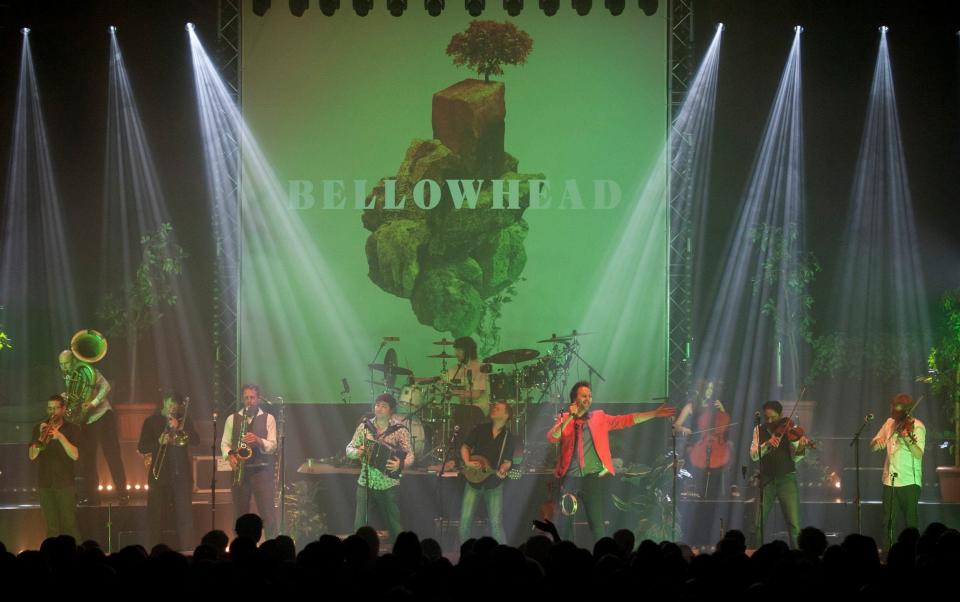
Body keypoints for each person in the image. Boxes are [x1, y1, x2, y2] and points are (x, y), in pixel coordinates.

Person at [546, 380, 675, 543]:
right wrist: (569, 417)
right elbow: (552, 437)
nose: (588, 398)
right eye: (584, 395)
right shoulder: (564, 417)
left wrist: (654, 414)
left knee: (597, 526)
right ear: (574, 399)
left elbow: (626, 420)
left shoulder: (598, 417)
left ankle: (603, 557)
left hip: (591, 478)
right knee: (565, 527)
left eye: (590, 396)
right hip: (569, 478)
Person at [59, 347, 127, 504]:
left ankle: (123, 493)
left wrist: (93, 403)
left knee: (112, 456)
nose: (64, 367)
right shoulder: (69, 376)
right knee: (88, 460)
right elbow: (74, 395)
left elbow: (106, 387)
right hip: (86, 420)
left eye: (66, 363)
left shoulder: (89, 370)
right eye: (61, 365)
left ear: (74, 360)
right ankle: (92, 496)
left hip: (103, 416)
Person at [346, 393, 413, 542]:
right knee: (360, 523)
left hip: (388, 483)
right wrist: (358, 451)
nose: (379, 408)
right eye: (377, 405)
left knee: (393, 523)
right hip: (366, 481)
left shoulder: (399, 430)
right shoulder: (364, 427)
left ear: (391, 410)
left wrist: (399, 464)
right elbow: (348, 449)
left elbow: (410, 455)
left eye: (384, 406)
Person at [138, 392, 198, 550]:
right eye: (170, 403)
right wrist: (158, 442)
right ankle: (153, 552)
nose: (173, 407)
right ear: (164, 403)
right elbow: (142, 447)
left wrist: (179, 428)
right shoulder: (151, 421)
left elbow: (196, 441)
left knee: (185, 519)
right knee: (155, 518)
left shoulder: (184, 420)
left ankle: (188, 551)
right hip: (159, 476)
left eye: (176, 404)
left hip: (181, 476)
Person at [750, 400, 810, 548]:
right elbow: (753, 455)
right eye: (767, 417)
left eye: (773, 417)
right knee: (757, 524)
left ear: (781, 415)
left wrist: (801, 446)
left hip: (786, 479)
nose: (770, 421)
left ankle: (798, 558)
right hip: (766, 480)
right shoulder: (758, 429)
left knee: (794, 524)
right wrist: (768, 443)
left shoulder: (790, 429)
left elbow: (797, 457)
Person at [221, 384, 278, 539]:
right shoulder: (232, 419)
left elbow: (273, 446)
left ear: (258, 399)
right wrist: (229, 456)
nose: (249, 401)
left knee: (267, 512)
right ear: (242, 399)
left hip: (261, 471)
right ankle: (241, 546)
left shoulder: (269, 418)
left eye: (252, 398)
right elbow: (224, 444)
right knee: (239, 513)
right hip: (240, 470)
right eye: (246, 398)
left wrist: (258, 440)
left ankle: (271, 544)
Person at [870, 393, 925, 549]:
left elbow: (918, 454)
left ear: (906, 411)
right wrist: (877, 443)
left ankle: (913, 553)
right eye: (892, 407)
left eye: (896, 409)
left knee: (911, 522)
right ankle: (888, 552)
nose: (892, 411)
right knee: (887, 521)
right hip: (889, 480)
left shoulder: (918, 426)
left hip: (909, 481)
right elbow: (873, 444)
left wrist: (907, 439)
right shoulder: (889, 423)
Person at [459, 399, 515, 544]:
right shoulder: (480, 429)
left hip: (494, 484)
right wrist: (467, 462)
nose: (493, 409)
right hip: (473, 481)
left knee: (496, 523)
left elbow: (507, 462)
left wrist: (503, 470)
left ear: (506, 415)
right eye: (494, 407)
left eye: (498, 408)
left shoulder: (509, 437)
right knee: (465, 522)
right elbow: (465, 447)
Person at [28, 394, 80, 539]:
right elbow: (32, 455)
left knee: (69, 525)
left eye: (56, 408)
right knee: (51, 528)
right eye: (50, 408)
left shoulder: (73, 429)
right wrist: (40, 436)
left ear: (63, 409)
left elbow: (75, 455)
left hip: (65, 484)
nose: (53, 412)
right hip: (45, 484)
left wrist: (60, 437)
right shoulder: (39, 428)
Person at [672, 379, 729, 498]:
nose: (709, 392)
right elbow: (676, 425)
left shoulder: (715, 405)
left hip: (715, 444)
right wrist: (685, 429)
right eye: (707, 388)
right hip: (696, 443)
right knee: (689, 456)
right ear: (700, 390)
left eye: (711, 389)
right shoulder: (691, 406)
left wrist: (722, 410)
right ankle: (690, 488)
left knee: (729, 452)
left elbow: (724, 425)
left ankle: (723, 489)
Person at [446, 336, 489, 416]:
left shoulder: (480, 368)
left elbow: (476, 394)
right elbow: (443, 378)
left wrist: (455, 392)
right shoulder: (458, 368)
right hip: (464, 408)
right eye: (455, 350)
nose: (456, 353)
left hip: (478, 409)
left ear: (467, 350)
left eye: (459, 350)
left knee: (456, 412)